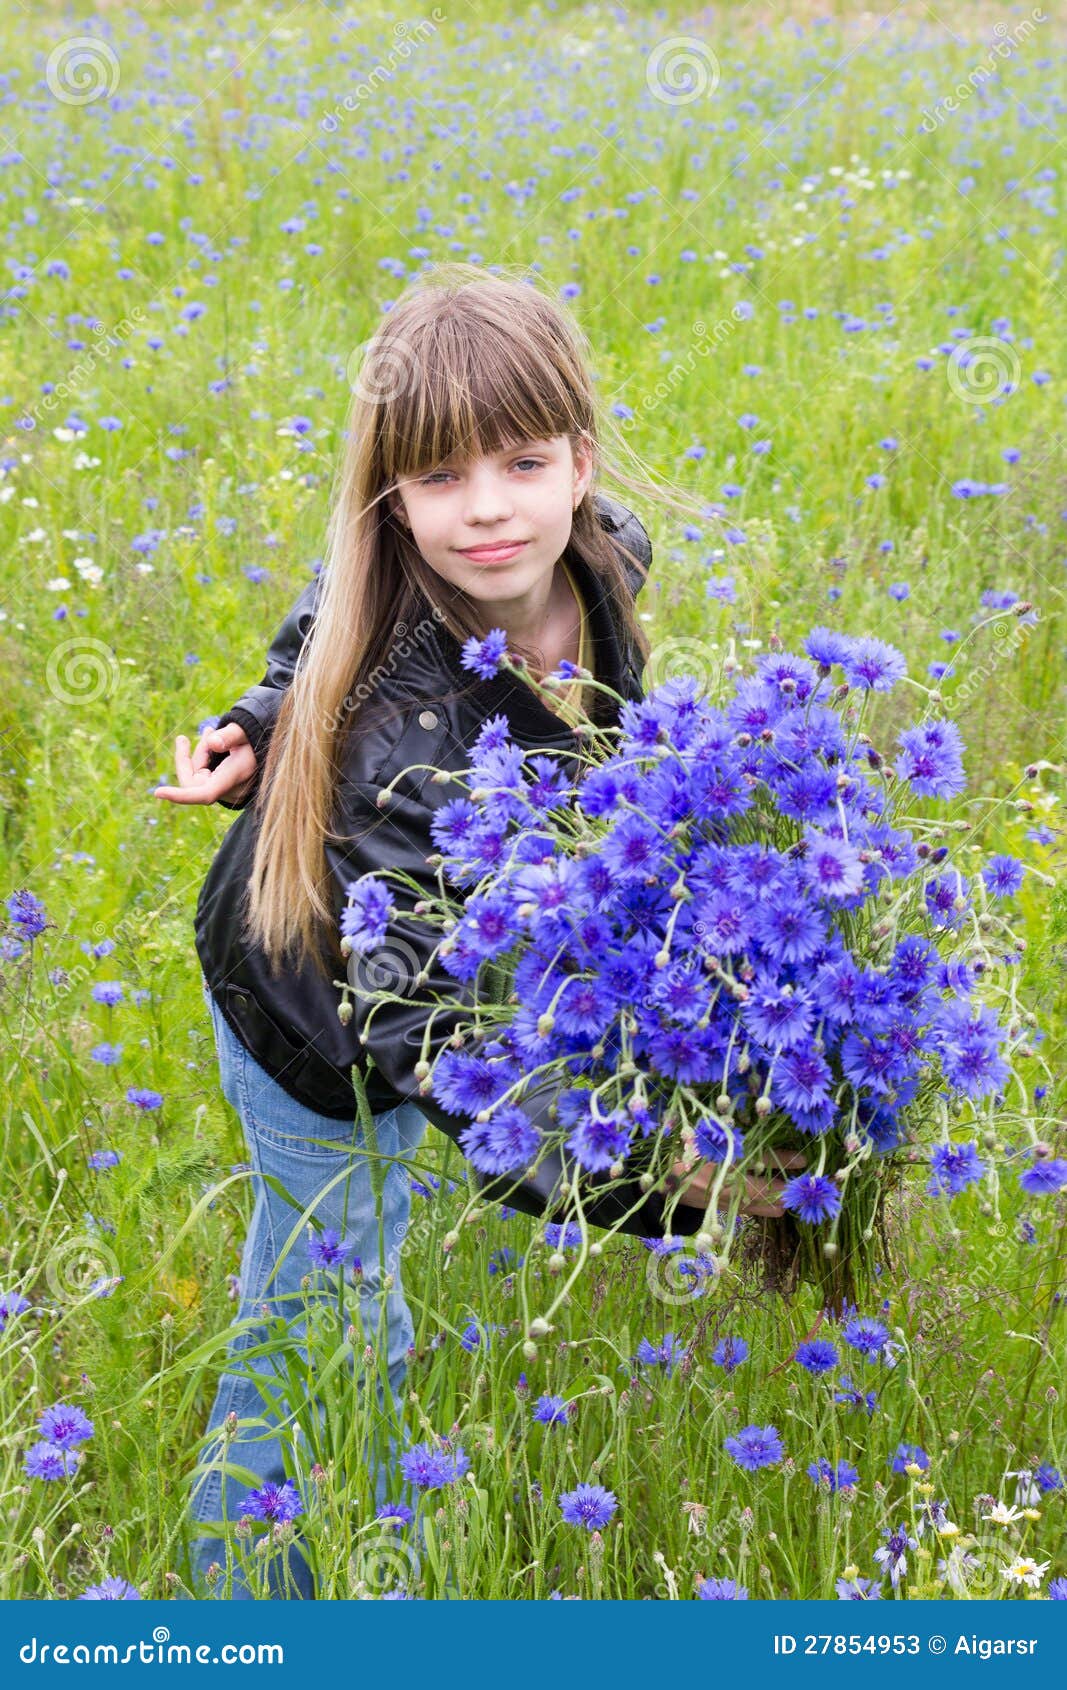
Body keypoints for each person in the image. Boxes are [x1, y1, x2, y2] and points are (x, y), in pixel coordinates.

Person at [155, 264, 801, 1599]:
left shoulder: (601, 551)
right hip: (311, 1029)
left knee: (342, 1298)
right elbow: (441, 1051)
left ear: (581, 462)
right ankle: (244, 1603)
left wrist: (265, 718)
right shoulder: (396, 745)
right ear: (391, 502)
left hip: (429, 951)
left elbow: (316, 633)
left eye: (522, 462)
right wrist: (668, 1177)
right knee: (326, 1323)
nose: (491, 508)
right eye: (442, 477)